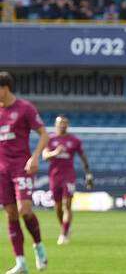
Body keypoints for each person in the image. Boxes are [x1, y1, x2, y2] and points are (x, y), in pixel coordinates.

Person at [0, 72, 49, 273]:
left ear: (5, 88)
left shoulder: (24, 108)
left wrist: (35, 157)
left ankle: (38, 246)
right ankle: (20, 262)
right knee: (11, 214)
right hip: (2, 169)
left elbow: (44, 134)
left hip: (21, 166)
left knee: (25, 210)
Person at [42, 115, 93, 245]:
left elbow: (83, 157)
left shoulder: (74, 140)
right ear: (55, 124)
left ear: (68, 125)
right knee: (58, 206)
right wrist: (55, 153)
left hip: (69, 176)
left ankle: (63, 234)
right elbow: (45, 156)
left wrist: (88, 174)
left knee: (67, 204)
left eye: (65, 123)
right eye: (60, 123)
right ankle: (65, 227)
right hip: (54, 176)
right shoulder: (50, 139)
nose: (62, 125)